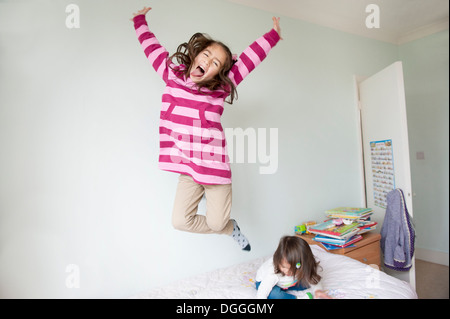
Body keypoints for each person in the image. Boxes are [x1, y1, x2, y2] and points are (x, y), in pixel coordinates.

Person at [131, 6, 282, 251]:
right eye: (206, 55)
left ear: (220, 72)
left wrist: (272, 36)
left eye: (215, 63)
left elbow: (248, 60)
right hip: (188, 167)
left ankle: (228, 227)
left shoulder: (219, 89)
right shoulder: (172, 74)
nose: (207, 62)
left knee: (216, 221)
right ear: (196, 54)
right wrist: (139, 20)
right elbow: (151, 48)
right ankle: (229, 229)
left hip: (213, 168)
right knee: (180, 221)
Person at [255, 236, 332, 299]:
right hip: (264, 282)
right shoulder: (272, 271)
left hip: (289, 284)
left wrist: (318, 290)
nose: (288, 272)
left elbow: (313, 278)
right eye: (283, 267)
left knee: (309, 281)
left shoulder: (303, 266)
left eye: (293, 270)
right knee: (274, 295)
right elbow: (262, 293)